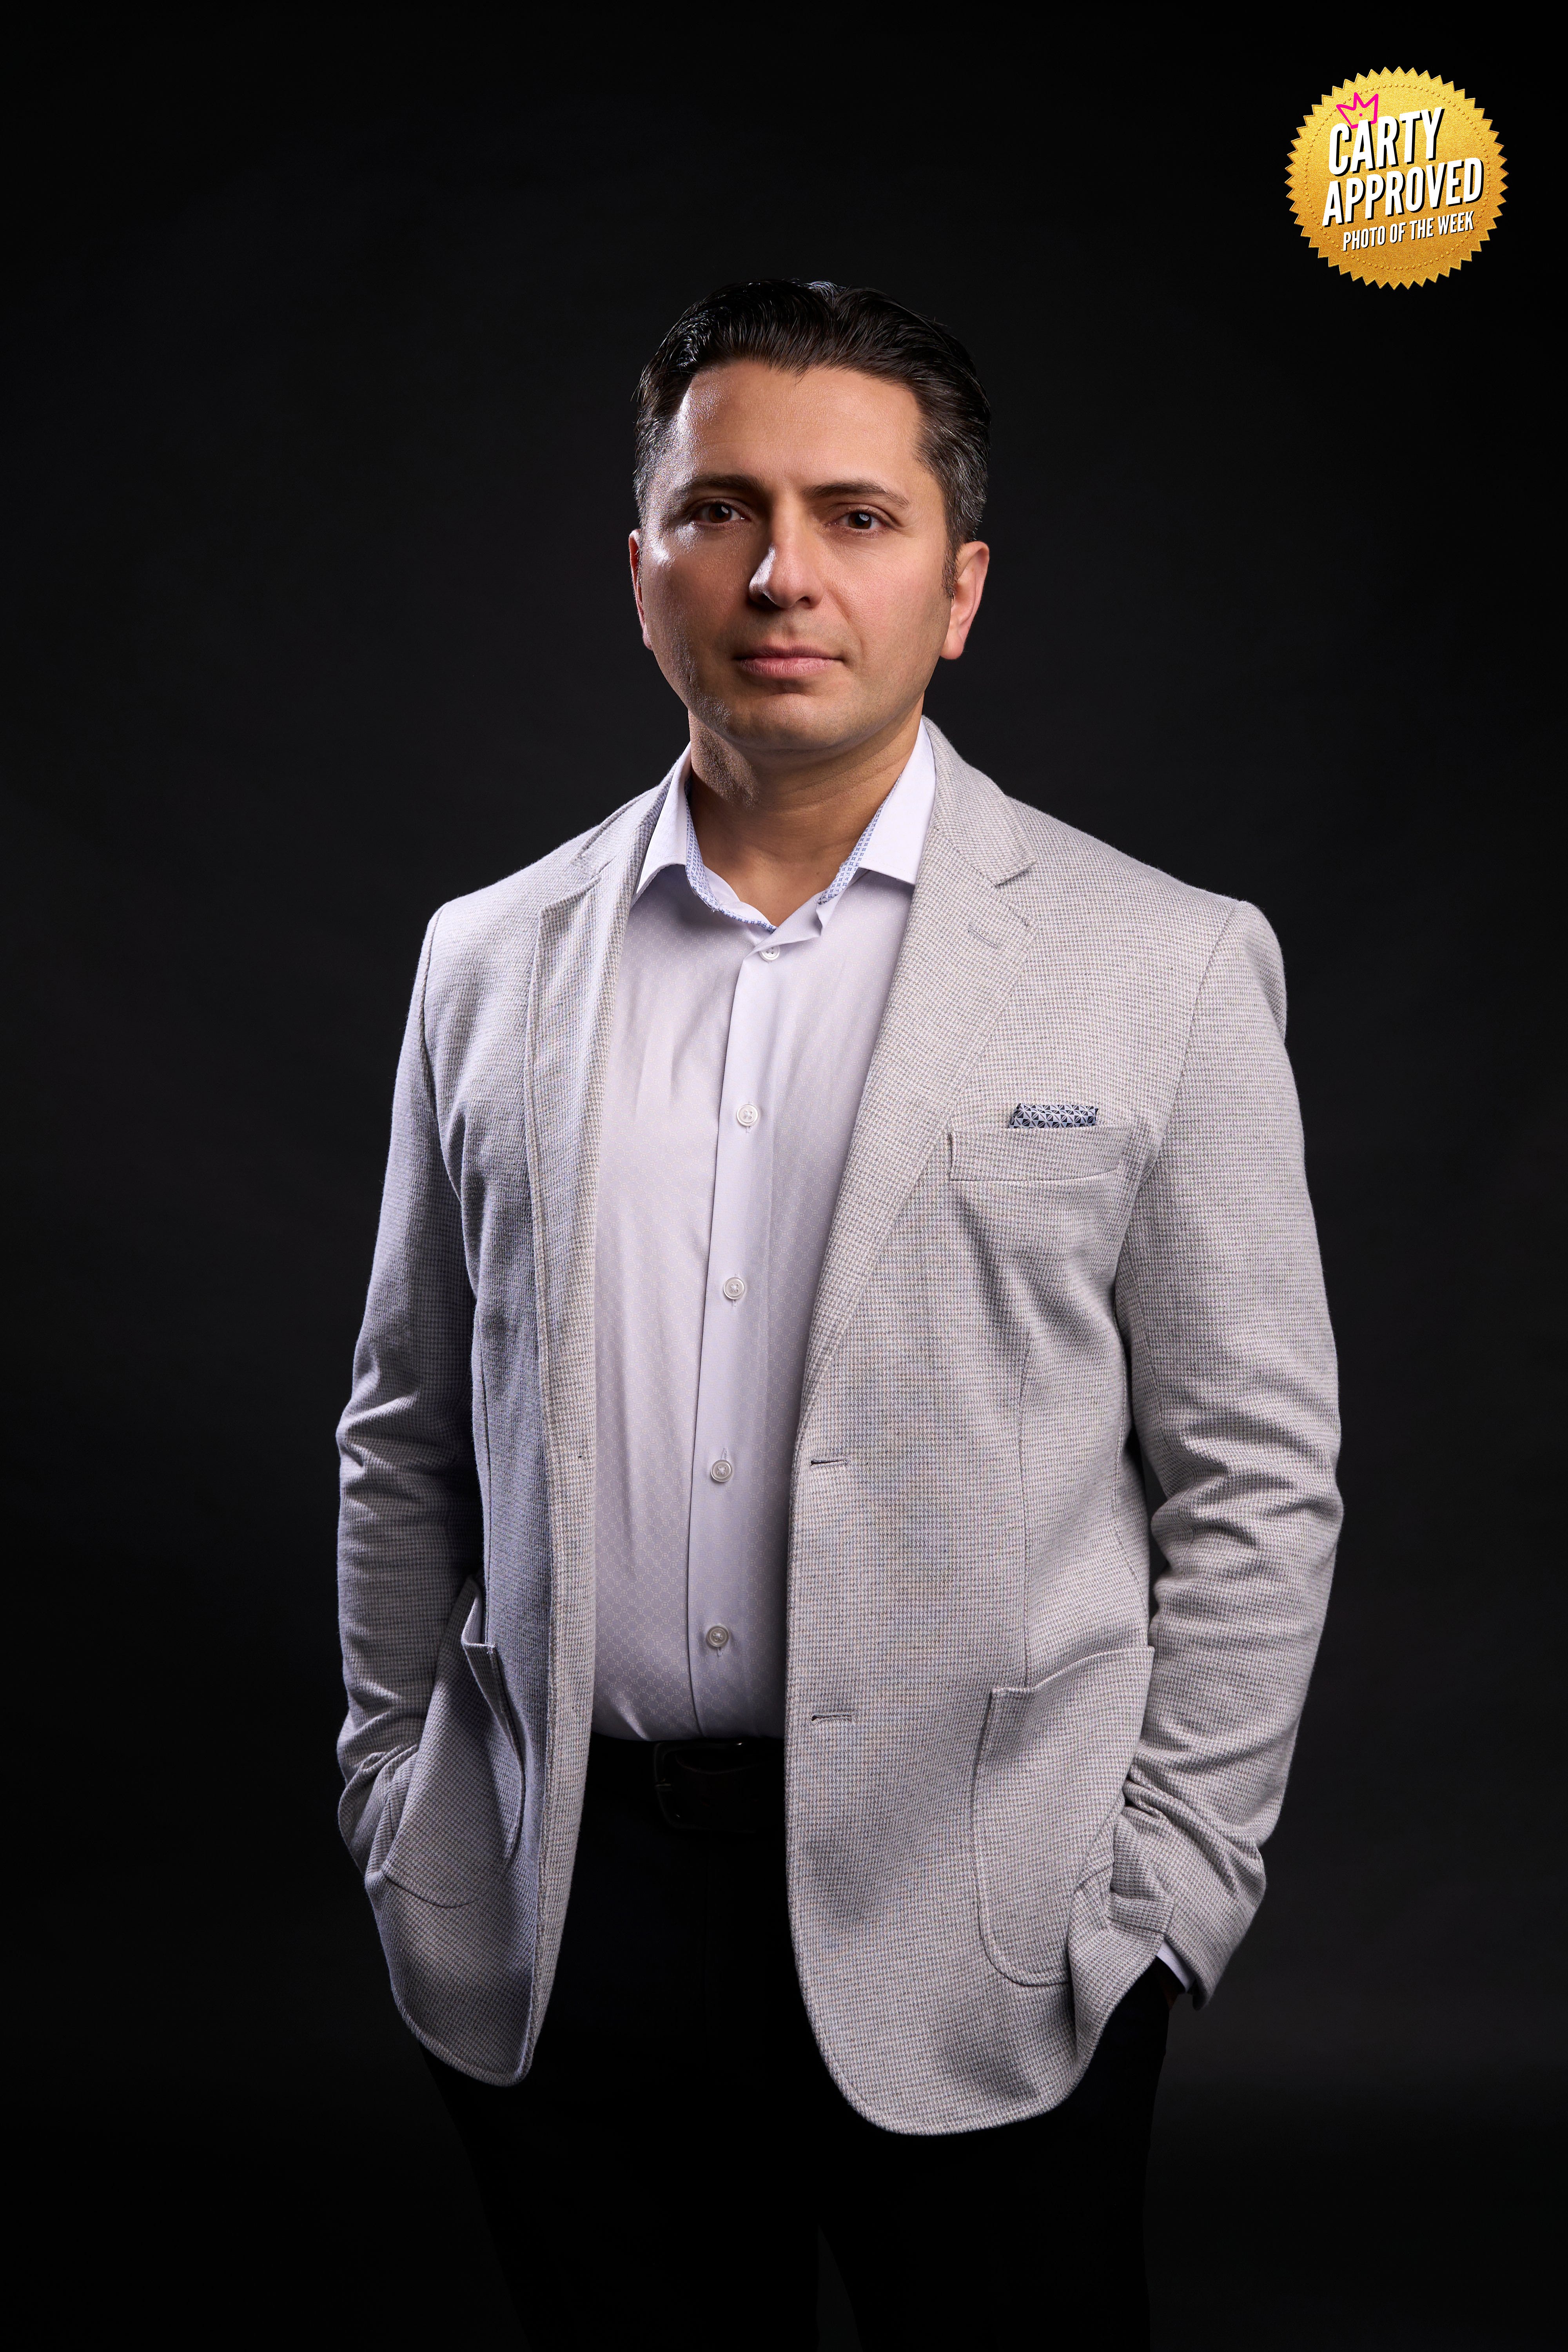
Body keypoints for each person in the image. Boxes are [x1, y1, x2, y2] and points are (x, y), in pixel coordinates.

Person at [335, 279, 1341, 2350]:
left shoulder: (1162, 963)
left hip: (993, 1916)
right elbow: (405, 1425)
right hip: (564, 1909)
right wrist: (392, 1793)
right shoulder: (486, 960)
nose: (780, 572)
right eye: (720, 511)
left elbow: (1257, 1472)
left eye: (857, 517)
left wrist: (1164, 1895)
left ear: (958, 588)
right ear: (641, 568)